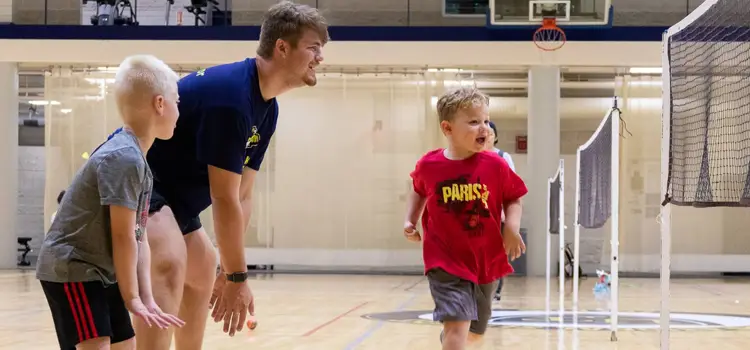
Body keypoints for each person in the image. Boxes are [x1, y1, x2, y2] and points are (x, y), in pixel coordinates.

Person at [135, 2, 329, 348]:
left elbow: (241, 194)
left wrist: (230, 270)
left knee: (204, 267)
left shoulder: (267, 109)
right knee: (169, 261)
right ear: (281, 47)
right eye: (313, 47)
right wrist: (239, 277)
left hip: (174, 202)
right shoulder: (232, 98)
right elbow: (223, 196)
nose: (320, 58)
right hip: (138, 187)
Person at [35, 54, 185, 350]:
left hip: (100, 272)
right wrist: (131, 298)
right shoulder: (124, 158)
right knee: (98, 344)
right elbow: (122, 236)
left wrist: (145, 298)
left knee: (125, 344)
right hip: (73, 268)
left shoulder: (138, 159)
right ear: (159, 104)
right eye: (177, 102)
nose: (180, 111)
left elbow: (139, 238)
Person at [403, 87, 528, 350]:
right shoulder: (430, 165)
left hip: (485, 259)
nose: (483, 128)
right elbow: (417, 189)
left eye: (485, 121)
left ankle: (451, 338)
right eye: (473, 122)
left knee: (475, 329)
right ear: (447, 129)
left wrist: (512, 228)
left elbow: (514, 197)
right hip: (444, 261)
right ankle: (452, 337)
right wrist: (410, 220)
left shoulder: (496, 165)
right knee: (457, 325)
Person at [484, 120, 517, 301]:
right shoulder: (472, 156)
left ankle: (496, 289)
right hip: (479, 215)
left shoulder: (504, 157)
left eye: (490, 132)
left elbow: (511, 188)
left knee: (498, 254)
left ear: (495, 136)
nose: (487, 135)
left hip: (498, 215)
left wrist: (506, 213)